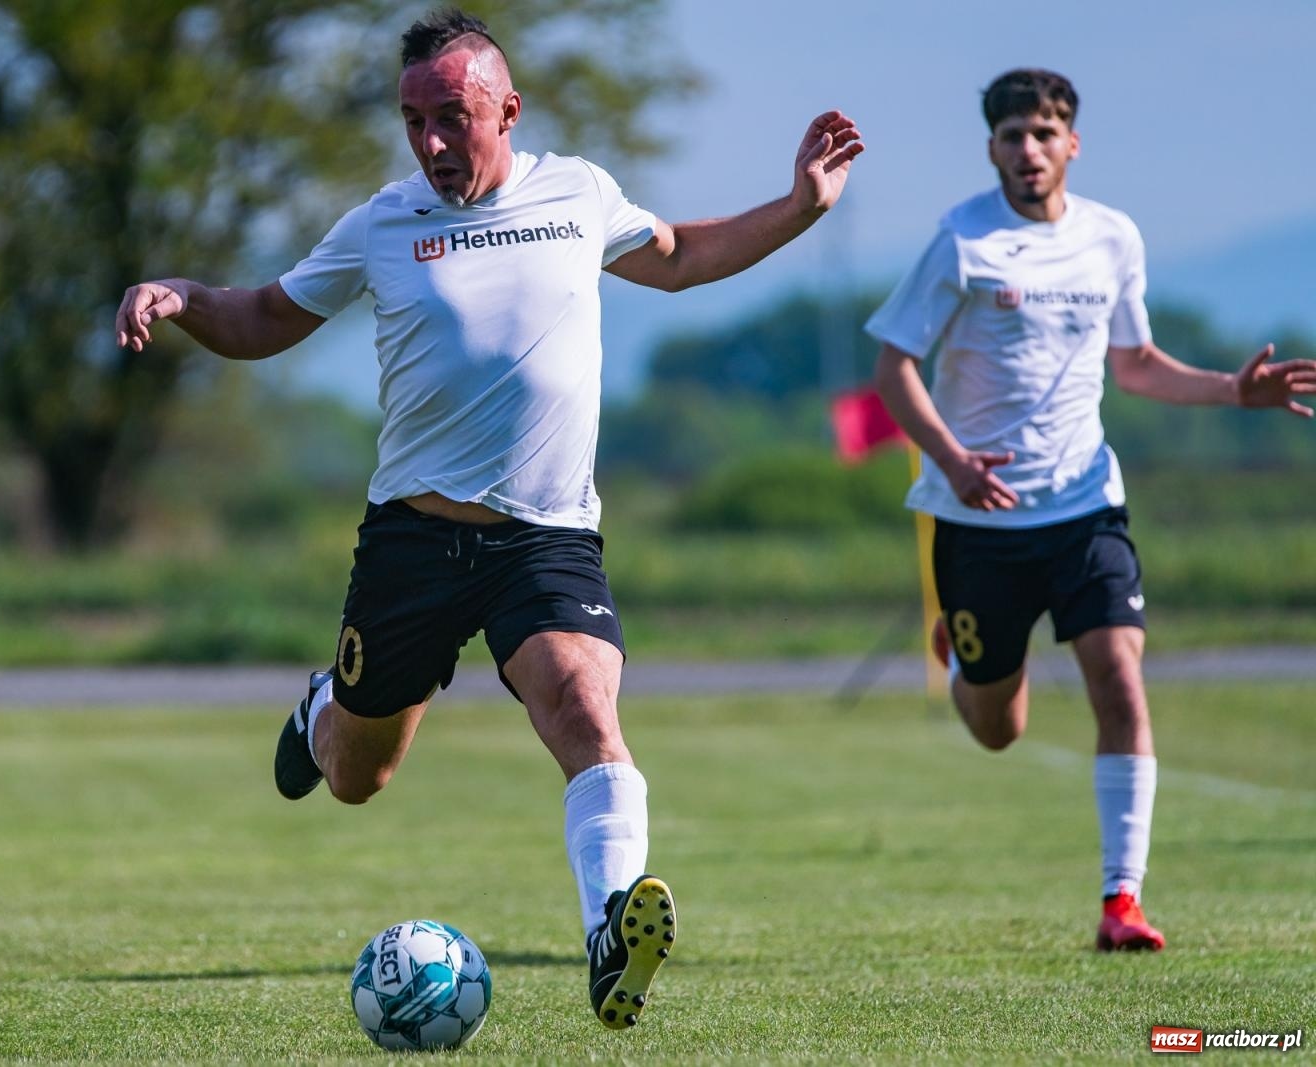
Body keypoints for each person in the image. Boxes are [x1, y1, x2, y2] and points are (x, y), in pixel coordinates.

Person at [116, 7, 860, 1028]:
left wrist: (798, 207)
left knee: (587, 713)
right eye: (413, 119)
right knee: (356, 776)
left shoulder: (579, 193)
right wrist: (180, 295)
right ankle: (319, 708)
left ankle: (610, 929)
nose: (430, 143)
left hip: (546, 541)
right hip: (412, 543)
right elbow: (262, 317)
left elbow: (681, 256)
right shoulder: (381, 224)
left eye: (452, 118)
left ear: (507, 109)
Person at [867, 69, 1314, 952]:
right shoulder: (961, 241)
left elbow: (1137, 362)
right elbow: (893, 368)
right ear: (990, 147)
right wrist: (953, 462)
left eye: (1043, 133)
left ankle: (1121, 901)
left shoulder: (1113, 237)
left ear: (1073, 143)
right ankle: (968, 665)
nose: (1028, 151)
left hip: (1085, 509)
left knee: (1119, 678)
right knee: (998, 728)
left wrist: (1234, 389)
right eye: (1011, 136)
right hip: (979, 520)